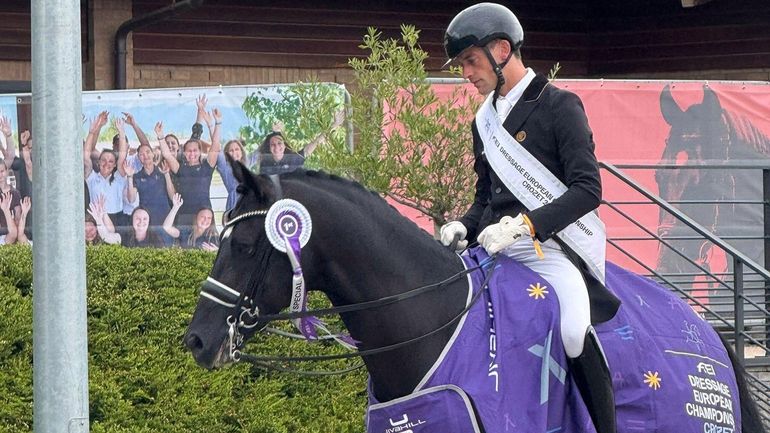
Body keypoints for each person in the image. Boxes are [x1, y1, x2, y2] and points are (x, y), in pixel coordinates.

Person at [439, 4, 620, 433]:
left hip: (549, 249)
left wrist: (527, 225)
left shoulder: (559, 105)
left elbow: (588, 190)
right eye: (462, 64)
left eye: (471, 60)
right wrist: (465, 224)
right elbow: (487, 198)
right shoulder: (483, 121)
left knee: (574, 331)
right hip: (493, 246)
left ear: (502, 50)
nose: (466, 73)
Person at [159, 96, 222, 228]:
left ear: (199, 152)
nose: (192, 153)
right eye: (189, 151)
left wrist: (217, 123)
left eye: (195, 150)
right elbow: (167, 155)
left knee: (208, 247)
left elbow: (215, 145)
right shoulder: (180, 168)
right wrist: (160, 136)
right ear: (184, 152)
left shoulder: (207, 166)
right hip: (184, 217)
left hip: (205, 215)